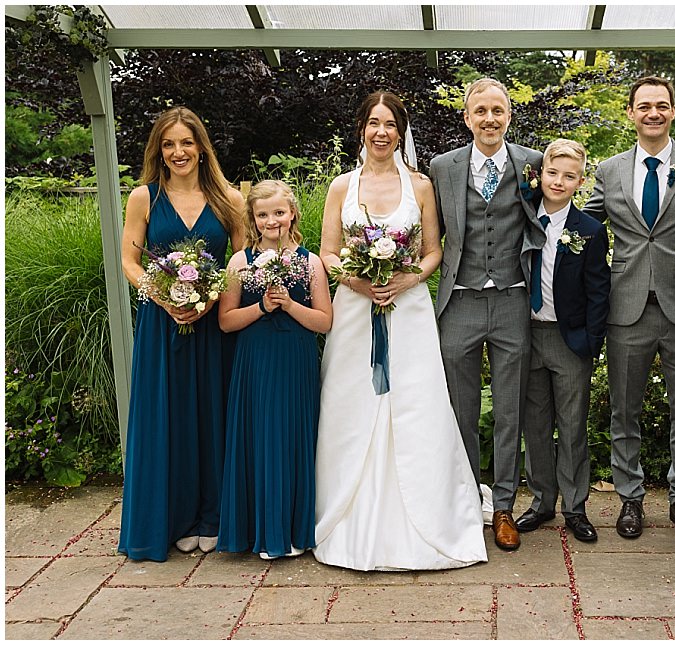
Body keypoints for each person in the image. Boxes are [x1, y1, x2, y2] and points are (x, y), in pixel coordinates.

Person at [315, 91, 487, 570]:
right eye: (373, 122)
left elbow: (434, 250)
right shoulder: (341, 187)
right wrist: (356, 280)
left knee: (416, 403)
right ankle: (344, 513)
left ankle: (428, 520)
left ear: (402, 131)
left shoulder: (421, 186)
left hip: (408, 312)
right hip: (355, 311)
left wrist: (409, 279)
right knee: (351, 404)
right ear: (361, 129)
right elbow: (328, 249)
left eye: (390, 123)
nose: (381, 132)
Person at [581, 76, 675, 541]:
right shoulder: (610, 168)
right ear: (631, 113)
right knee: (624, 411)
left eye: (662, 105)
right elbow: (587, 223)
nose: (653, 113)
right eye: (644, 106)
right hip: (627, 307)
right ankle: (631, 500)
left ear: (674, 111)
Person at [117, 107, 246, 562]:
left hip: (213, 324)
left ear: (201, 147)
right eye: (169, 144)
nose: (178, 152)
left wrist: (213, 298)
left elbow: (244, 258)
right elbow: (130, 260)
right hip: (162, 321)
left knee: (213, 414)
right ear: (159, 150)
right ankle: (167, 522)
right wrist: (162, 294)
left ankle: (211, 518)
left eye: (186, 143)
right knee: (164, 417)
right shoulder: (143, 198)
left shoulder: (228, 198)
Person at [429, 78, 546, 551]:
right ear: (467, 117)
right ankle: (462, 500)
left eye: (498, 110)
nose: (490, 119)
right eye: (481, 111)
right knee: (459, 408)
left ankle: (502, 507)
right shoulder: (443, 167)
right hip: (459, 299)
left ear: (509, 116)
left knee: (508, 409)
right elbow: (425, 225)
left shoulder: (532, 163)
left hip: (513, 300)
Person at [216, 180, 332, 559]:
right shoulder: (239, 262)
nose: (272, 221)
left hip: (294, 360)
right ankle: (262, 531)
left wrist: (288, 305)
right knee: (261, 438)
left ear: (292, 213)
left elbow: (324, 321)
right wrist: (263, 307)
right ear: (252, 217)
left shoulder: (310, 262)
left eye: (279, 213)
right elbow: (227, 321)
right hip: (256, 362)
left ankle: (294, 530)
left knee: (293, 438)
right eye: (263, 214)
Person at [515, 139, 610, 543]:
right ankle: (541, 500)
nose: (559, 181)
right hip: (526, 334)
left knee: (571, 427)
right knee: (535, 424)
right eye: (552, 173)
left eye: (569, 176)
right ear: (540, 175)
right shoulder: (522, 219)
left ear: (580, 182)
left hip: (569, 339)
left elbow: (598, 290)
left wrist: (590, 341)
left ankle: (575, 506)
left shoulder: (589, 230)